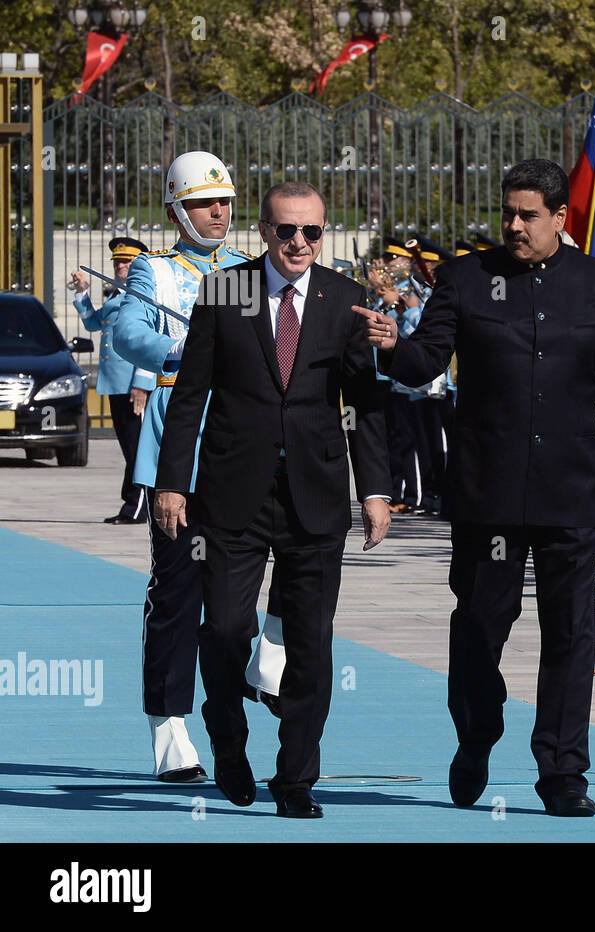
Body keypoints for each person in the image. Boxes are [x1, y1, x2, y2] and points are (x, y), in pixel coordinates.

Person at [355, 158, 595, 817]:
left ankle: (563, 772)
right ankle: (476, 734)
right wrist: (394, 346)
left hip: (575, 490)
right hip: (490, 495)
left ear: (561, 218)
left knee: (571, 635)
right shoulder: (467, 277)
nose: (513, 225)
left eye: (527, 215)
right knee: (482, 625)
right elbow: (427, 357)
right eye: (507, 212)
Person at [152, 181, 390, 818]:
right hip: (232, 495)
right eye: (287, 230)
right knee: (227, 632)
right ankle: (228, 743)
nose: (299, 243)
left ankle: (294, 780)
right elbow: (191, 394)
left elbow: (365, 403)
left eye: (312, 231)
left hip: (315, 496)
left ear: (324, 232)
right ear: (263, 231)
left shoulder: (346, 299)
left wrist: (375, 490)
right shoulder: (226, 290)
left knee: (312, 645)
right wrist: (172, 481)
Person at [112, 151, 262, 782]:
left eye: (225, 201)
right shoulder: (156, 271)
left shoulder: (248, 272)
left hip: (244, 446)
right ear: (177, 209)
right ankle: (168, 724)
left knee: (249, 581)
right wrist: (183, 342)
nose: (219, 213)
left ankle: (259, 667)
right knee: (176, 593)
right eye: (204, 203)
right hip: (182, 445)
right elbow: (128, 334)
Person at [70, 236, 154, 524]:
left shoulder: (144, 295)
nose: (121, 266)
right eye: (118, 262)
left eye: (127, 261)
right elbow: (94, 324)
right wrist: (82, 293)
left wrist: (142, 383)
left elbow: (150, 341)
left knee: (137, 449)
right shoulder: (118, 295)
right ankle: (132, 503)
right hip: (116, 382)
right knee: (129, 447)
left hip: (133, 384)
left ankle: (139, 506)